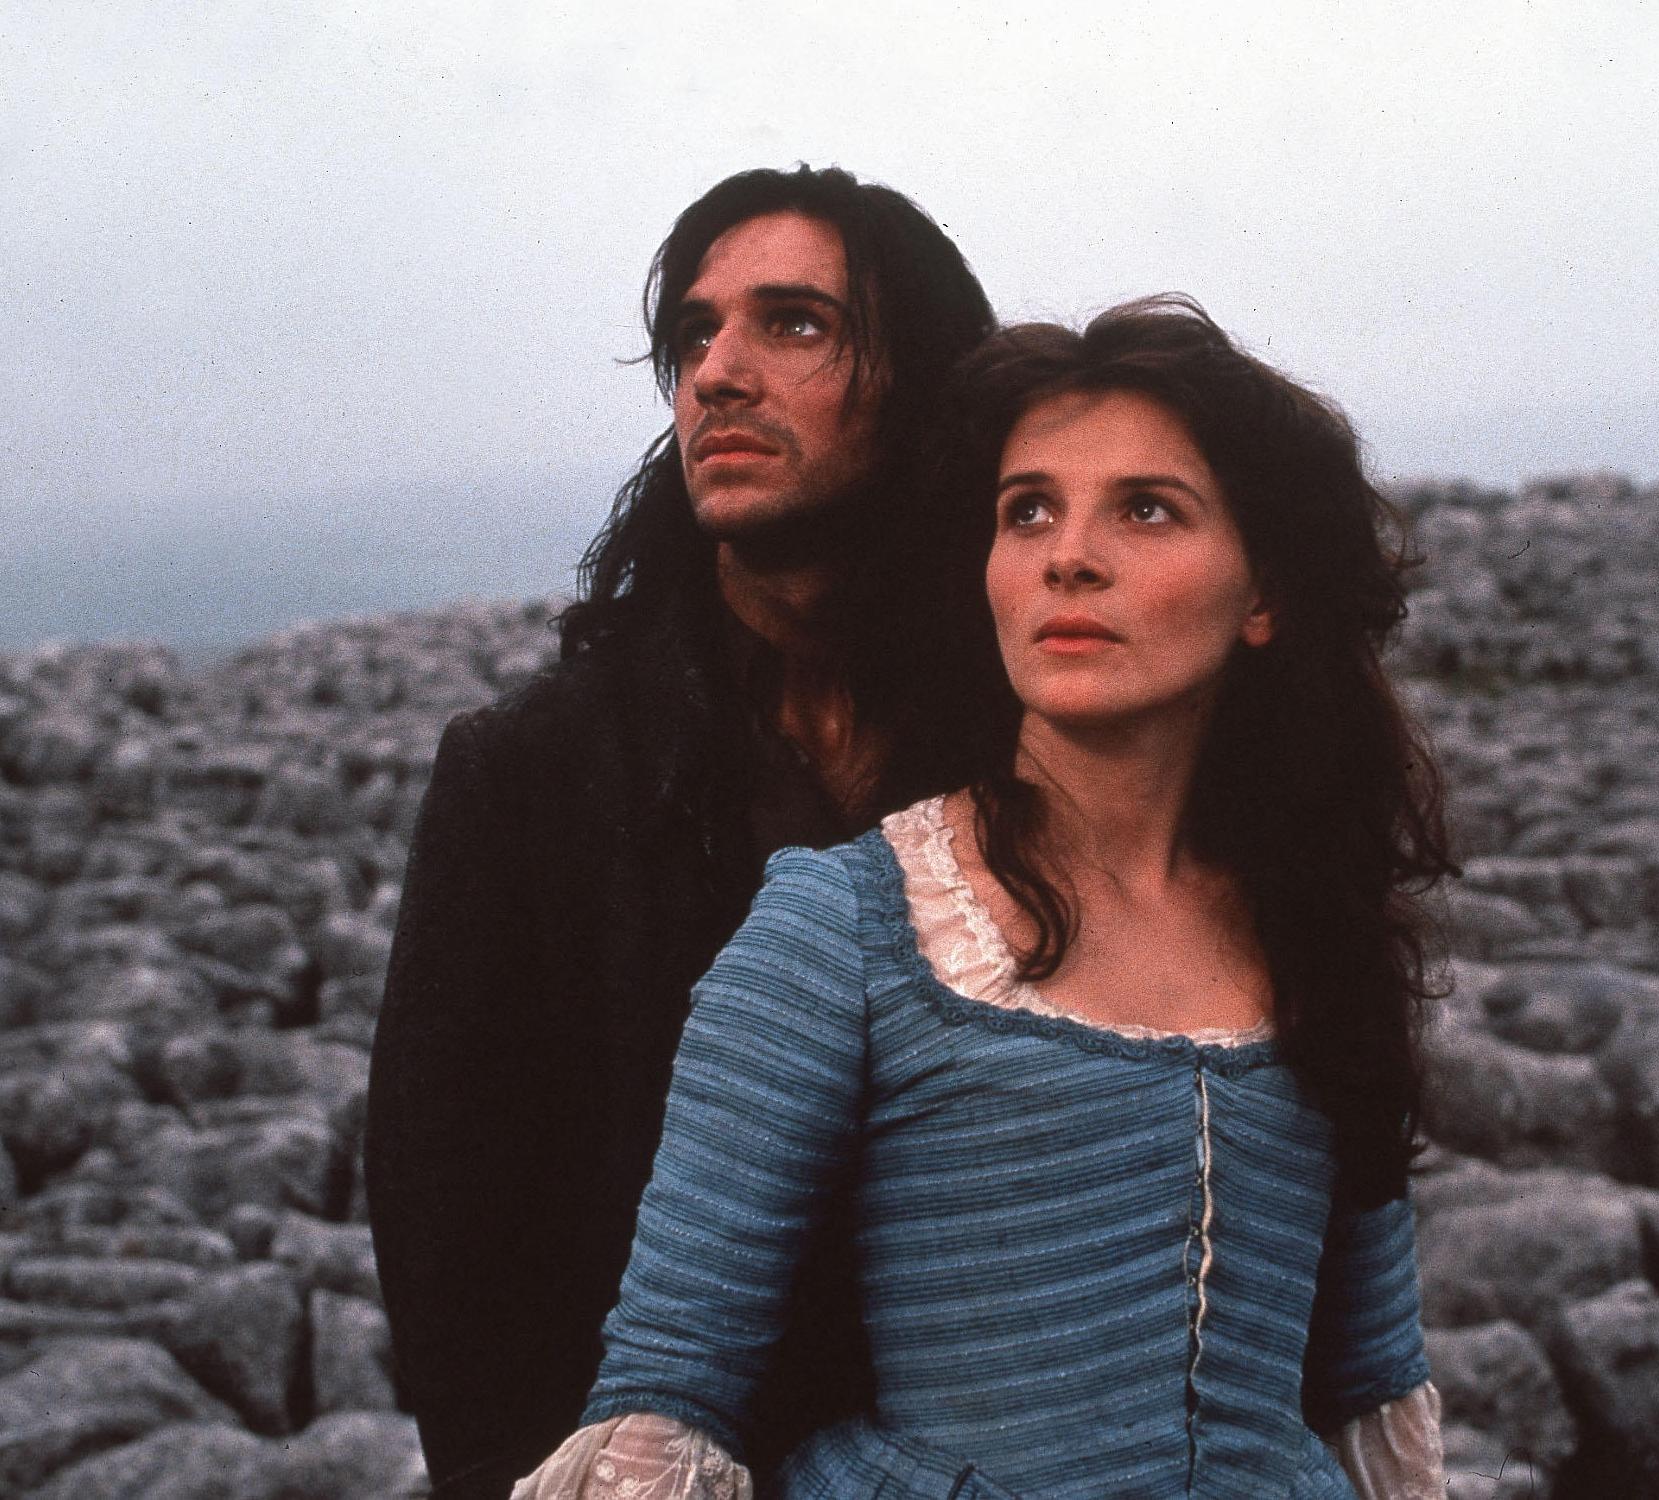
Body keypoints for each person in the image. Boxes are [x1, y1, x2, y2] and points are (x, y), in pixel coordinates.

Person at [514, 298, 1458, 1498]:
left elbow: (1369, 1381)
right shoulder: (845, 928)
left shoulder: (1321, 933)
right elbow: (670, 1388)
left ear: (1263, 591)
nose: (1068, 553)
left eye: (1147, 508)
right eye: (1028, 511)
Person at [364, 165, 997, 1499]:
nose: (717, 373)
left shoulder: (1026, 750)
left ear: (924, 382)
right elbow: (453, 1244)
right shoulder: (531, 775)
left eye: (795, 325)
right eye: (695, 334)